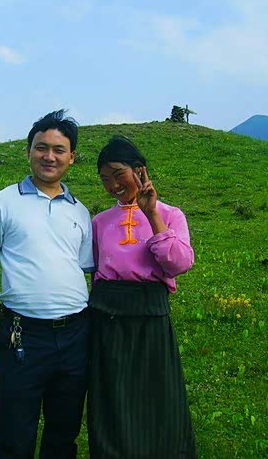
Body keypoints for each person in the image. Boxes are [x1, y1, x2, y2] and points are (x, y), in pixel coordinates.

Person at [0, 110, 94, 459]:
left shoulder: (80, 211)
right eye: (41, 147)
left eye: (59, 150)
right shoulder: (3, 202)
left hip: (76, 334)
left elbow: (88, 270)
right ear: (28, 151)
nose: (49, 156)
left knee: (64, 430)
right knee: (14, 432)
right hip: (22, 334)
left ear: (72, 158)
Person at [87, 135, 197, 459]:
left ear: (140, 171)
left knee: (157, 395)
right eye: (104, 179)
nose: (112, 185)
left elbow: (179, 264)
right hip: (108, 316)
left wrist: (152, 215)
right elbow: (95, 271)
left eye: (118, 175)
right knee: (112, 396)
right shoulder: (100, 222)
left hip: (150, 314)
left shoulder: (170, 214)